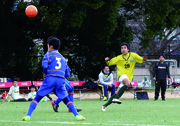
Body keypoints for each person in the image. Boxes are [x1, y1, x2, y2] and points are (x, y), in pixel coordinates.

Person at [22, 36, 85, 121]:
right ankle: (77, 116)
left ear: (51, 46)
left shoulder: (47, 55)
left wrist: (44, 76)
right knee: (66, 99)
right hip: (60, 80)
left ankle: (28, 116)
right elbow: (67, 73)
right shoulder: (63, 58)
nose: (47, 47)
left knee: (37, 98)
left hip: (50, 78)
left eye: (47, 46)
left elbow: (44, 67)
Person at [101, 43, 147, 111]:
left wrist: (144, 59)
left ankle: (104, 105)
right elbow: (110, 63)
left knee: (116, 93)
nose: (123, 49)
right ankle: (116, 98)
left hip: (128, 77)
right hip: (121, 75)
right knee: (127, 83)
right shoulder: (119, 58)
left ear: (128, 49)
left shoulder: (133, 55)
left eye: (125, 48)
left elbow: (141, 60)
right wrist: (107, 60)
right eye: (122, 48)